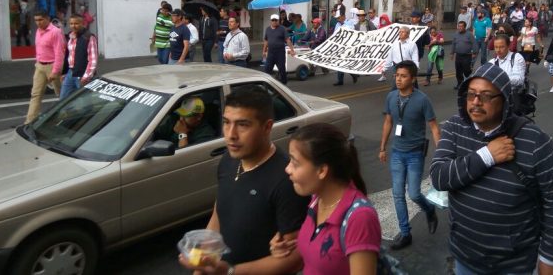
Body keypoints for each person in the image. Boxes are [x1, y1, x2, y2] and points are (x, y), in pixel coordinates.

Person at [431, 63, 553, 274]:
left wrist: (550, 258)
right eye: (471, 95)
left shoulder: (534, 140)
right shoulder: (455, 127)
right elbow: (439, 177)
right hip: (464, 256)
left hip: (512, 264)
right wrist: (487, 155)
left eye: (486, 96)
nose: (476, 102)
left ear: (504, 100)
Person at [179, 86, 309, 275]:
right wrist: (202, 266)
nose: (231, 134)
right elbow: (219, 214)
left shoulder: (287, 180)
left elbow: (293, 260)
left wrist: (229, 271)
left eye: (242, 125)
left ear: (267, 127)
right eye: (226, 122)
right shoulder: (228, 160)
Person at [271, 123, 382, 274]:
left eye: (295, 163)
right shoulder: (317, 200)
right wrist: (286, 248)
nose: (287, 169)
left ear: (322, 170)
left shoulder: (360, 218)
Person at [378, 60, 440, 250]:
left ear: (413, 79)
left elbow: (434, 128)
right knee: (398, 195)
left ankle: (429, 210)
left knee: (413, 193)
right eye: (397, 75)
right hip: (397, 153)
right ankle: (405, 233)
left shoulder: (422, 100)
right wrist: (382, 148)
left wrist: (442, 154)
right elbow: (388, 122)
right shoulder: (391, 97)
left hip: (415, 155)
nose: (398, 79)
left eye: (403, 76)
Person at [25, 9, 65, 123]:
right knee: (35, 94)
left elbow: (59, 53)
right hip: (40, 66)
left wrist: (55, 71)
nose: (38, 23)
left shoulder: (55, 32)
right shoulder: (38, 31)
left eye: (41, 20)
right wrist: (38, 62)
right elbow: (39, 49)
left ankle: (66, 117)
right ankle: (29, 121)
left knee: (61, 94)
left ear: (48, 19)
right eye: (36, 20)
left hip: (53, 66)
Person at [60, 14, 98, 99]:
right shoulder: (70, 36)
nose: (73, 26)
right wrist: (64, 72)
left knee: (85, 101)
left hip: (82, 74)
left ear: (83, 23)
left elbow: (93, 59)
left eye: (76, 23)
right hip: (70, 73)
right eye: (71, 23)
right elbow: (69, 56)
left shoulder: (89, 37)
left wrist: (86, 76)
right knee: (63, 99)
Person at [264, 14, 296, 84]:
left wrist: (292, 50)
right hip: (271, 53)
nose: (274, 21)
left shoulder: (282, 29)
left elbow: (287, 40)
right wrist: (264, 51)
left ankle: (284, 84)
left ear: (278, 21)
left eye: (276, 20)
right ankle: (266, 85)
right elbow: (266, 40)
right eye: (273, 20)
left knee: (282, 70)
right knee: (267, 70)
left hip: (280, 53)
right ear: (271, 21)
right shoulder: (268, 29)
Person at [451, 21, 475, 89]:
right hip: (458, 56)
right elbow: (453, 44)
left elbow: (474, 43)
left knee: (466, 70)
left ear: (465, 27)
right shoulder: (456, 34)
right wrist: (452, 53)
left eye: (461, 26)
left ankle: (469, 83)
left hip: (467, 56)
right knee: (458, 71)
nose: (460, 28)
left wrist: (474, 52)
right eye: (459, 26)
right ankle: (459, 84)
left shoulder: (469, 34)